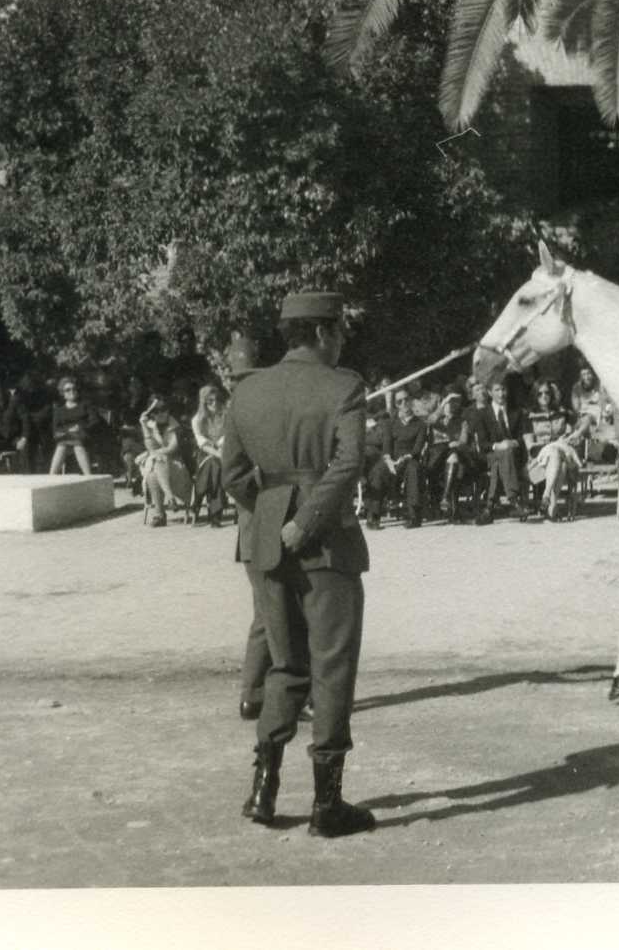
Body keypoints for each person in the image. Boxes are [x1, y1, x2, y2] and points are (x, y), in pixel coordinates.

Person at [222, 290, 375, 838]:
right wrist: (305, 519)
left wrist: (273, 512)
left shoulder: (247, 391)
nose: (342, 341)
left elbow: (233, 475)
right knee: (331, 668)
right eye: (340, 331)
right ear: (324, 332)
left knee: (285, 665)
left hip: (266, 544)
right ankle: (326, 806)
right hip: (326, 544)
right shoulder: (344, 386)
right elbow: (348, 463)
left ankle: (262, 792)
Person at [363, 390, 427, 530]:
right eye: (399, 401)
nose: (403, 403)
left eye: (406, 399)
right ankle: (373, 515)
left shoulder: (420, 424)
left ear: (411, 401)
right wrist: (389, 460)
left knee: (413, 469)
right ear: (396, 405)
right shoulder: (390, 423)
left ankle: (414, 515)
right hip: (392, 459)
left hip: (409, 458)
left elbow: (418, 448)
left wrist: (407, 457)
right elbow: (386, 446)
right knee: (378, 471)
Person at [525, 380, 586, 521]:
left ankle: (547, 498)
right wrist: (553, 444)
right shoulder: (529, 416)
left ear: (551, 394)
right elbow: (531, 446)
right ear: (535, 395)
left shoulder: (562, 413)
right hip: (538, 461)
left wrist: (575, 435)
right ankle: (552, 506)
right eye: (540, 393)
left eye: (547, 392)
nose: (544, 396)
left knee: (558, 457)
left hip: (563, 456)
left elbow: (582, 424)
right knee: (556, 455)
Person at [474, 378, 530, 523]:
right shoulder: (482, 414)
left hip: (514, 455)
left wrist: (512, 443)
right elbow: (483, 444)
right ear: (489, 392)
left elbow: (522, 437)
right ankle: (513, 500)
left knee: (503, 458)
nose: (501, 394)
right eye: (497, 390)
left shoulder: (516, 412)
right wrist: (498, 446)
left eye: (503, 389)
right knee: (502, 455)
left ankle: (489, 508)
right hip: (491, 454)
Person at [138, 396, 191, 527]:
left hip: (178, 472)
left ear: (168, 410)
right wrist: (144, 426)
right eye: (156, 411)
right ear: (151, 414)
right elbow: (151, 448)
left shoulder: (176, 426)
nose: (160, 413)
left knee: (158, 461)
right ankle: (164, 507)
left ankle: (162, 511)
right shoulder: (151, 426)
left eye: (163, 409)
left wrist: (156, 454)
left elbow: (172, 449)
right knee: (153, 472)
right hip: (159, 470)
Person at [191, 384, 229, 527]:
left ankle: (198, 497)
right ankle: (215, 513)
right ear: (204, 403)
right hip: (205, 454)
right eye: (210, 401)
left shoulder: (226, 416)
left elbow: (228, 438)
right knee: (214, 465)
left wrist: (221, 453)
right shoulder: (197, 420)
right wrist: (218, 454)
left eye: (217, 400)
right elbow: (202, 443)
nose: (214, 404)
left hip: (225, 452)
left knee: (215, 466)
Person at [48, 376, 97, 475]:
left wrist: (80, 427)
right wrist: (68, 430)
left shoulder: (85, 405)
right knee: (62, 446)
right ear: (63, 393)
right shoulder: (59, 410)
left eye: (74, 389)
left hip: (84, 436)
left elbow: (94, 421)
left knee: (76, 444)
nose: (72, 391)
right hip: (66, 437)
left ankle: (88, 476)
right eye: (68, 390)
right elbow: (55, 428)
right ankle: (52, 476)